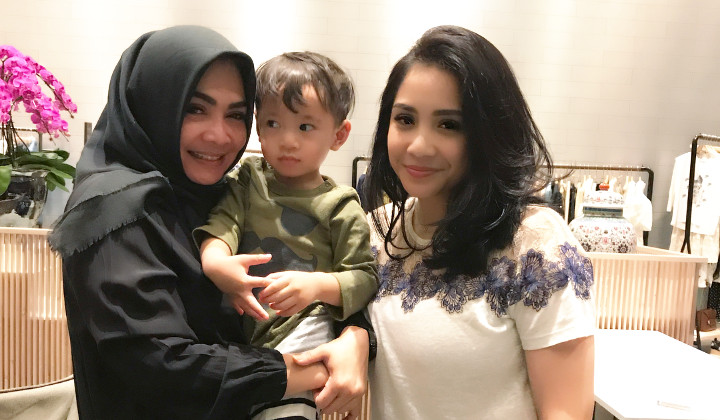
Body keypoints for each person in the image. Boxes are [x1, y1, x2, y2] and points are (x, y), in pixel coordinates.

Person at [48, 25, 370, 420]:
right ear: (154, 105)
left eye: (235, 115)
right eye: (195, 109)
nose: (219, 135)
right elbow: (160, 365)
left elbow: (336, 269)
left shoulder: (213, 193)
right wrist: (314, 370)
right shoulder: (114, 212)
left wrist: (356, 336)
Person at [363, 25, 595, 419]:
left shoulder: (535, 244)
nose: (418, 145)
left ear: (489, 133)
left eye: (449, 125)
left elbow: (566, 412)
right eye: (404, 119)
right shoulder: (377, 231)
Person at [194, 51, 378, 420]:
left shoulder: (340, 205)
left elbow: (364, 277)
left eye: (305, 127)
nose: (287, 140)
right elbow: (223, 224)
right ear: (258, 127)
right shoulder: (249, 179)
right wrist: (216, 263)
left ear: (339, 135)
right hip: (244, 338)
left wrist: (317, 286)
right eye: (273, 123)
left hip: (305, 331)